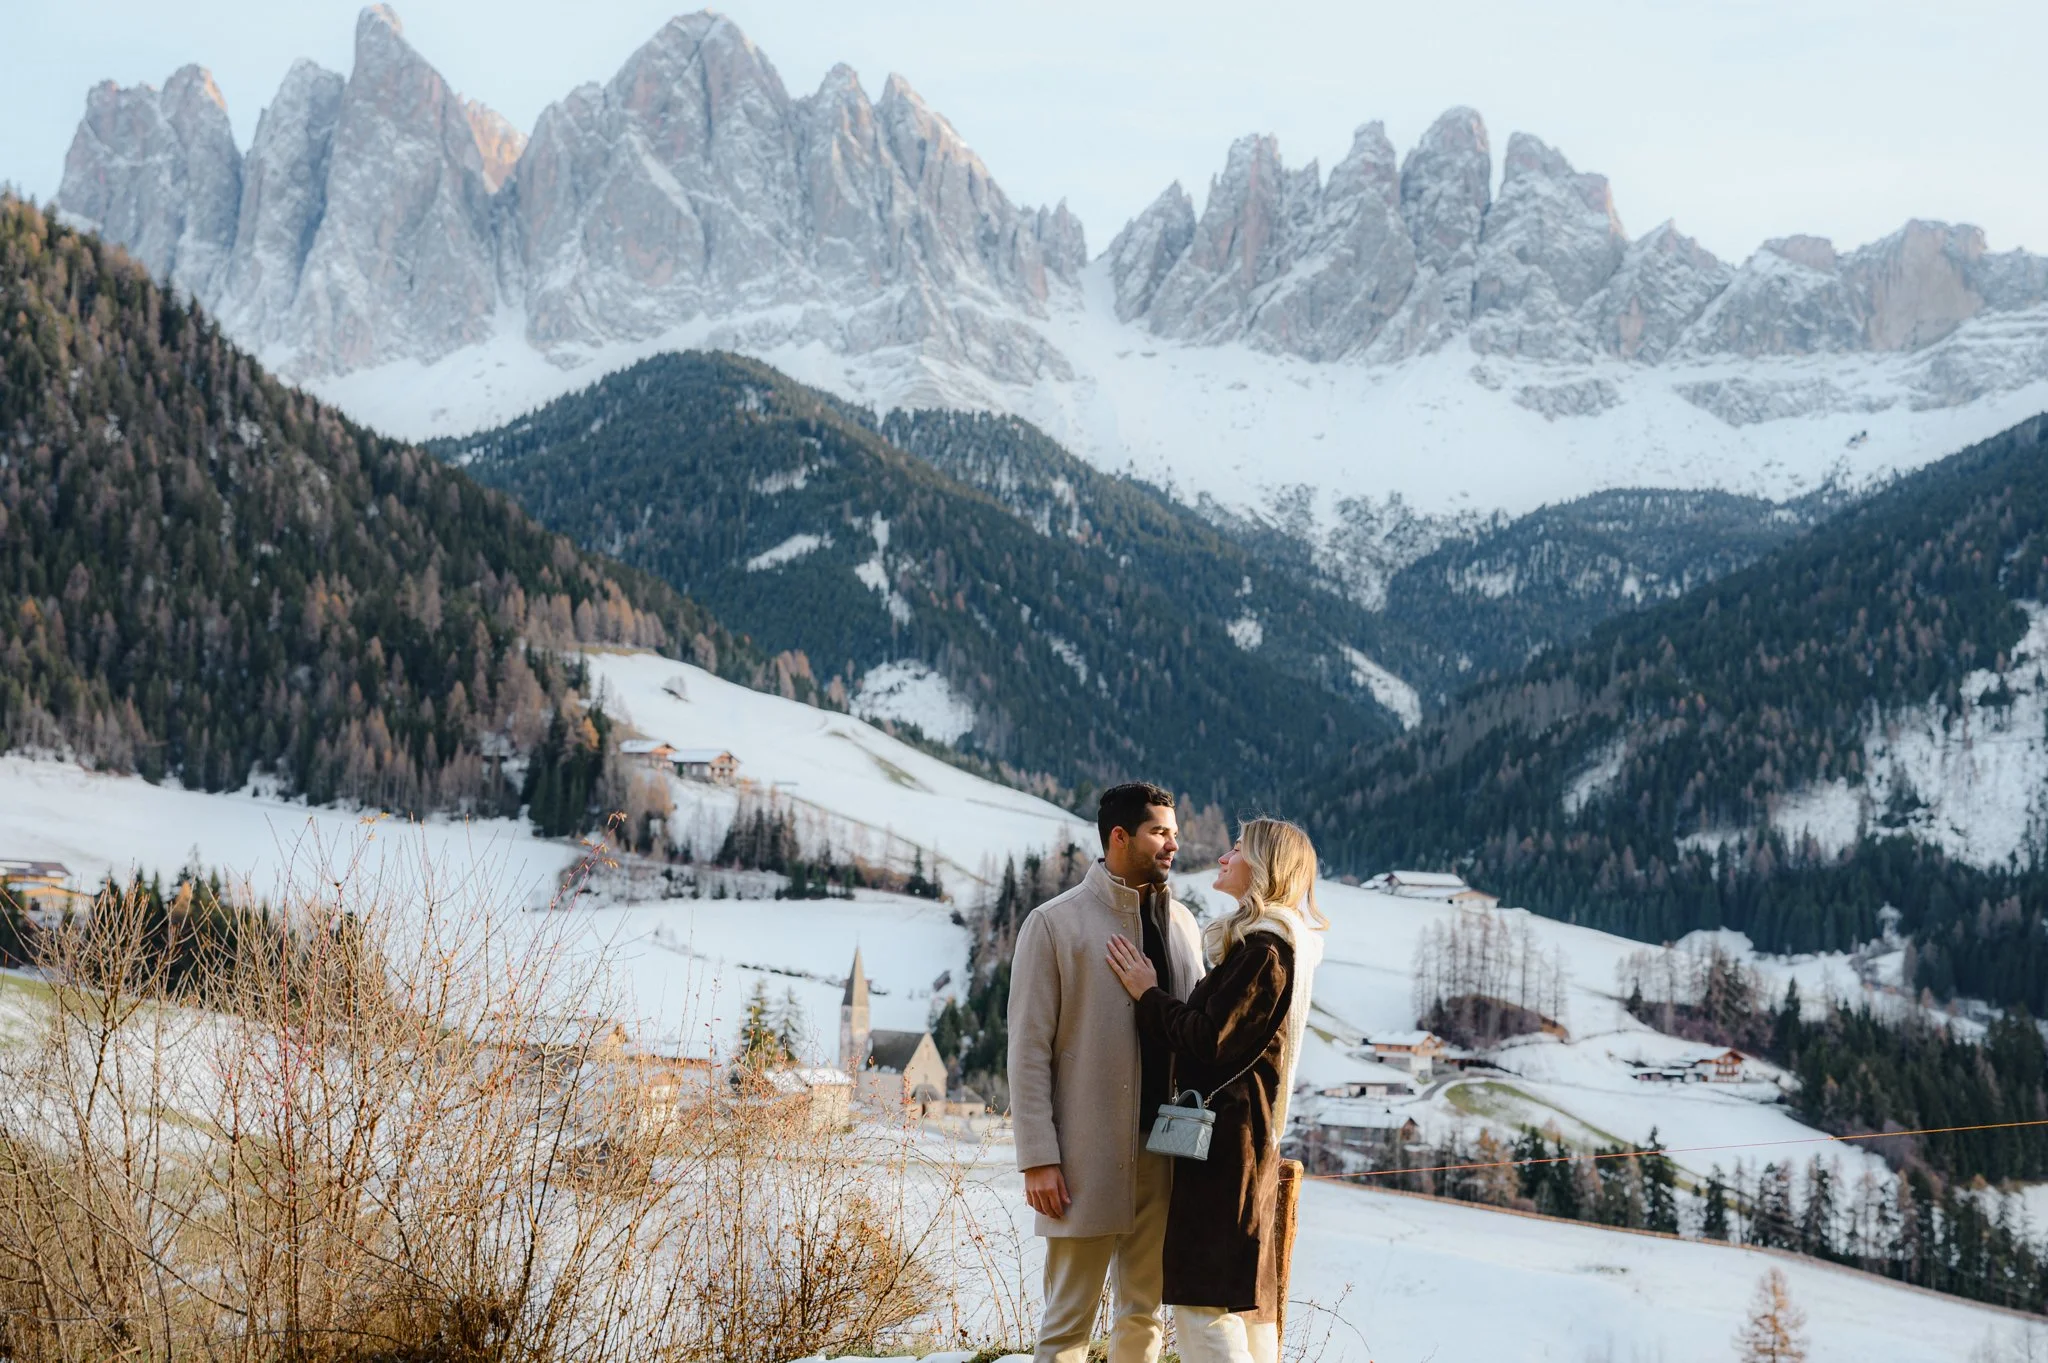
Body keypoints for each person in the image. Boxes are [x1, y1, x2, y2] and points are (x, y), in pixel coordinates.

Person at [1104, 818, 1326, 1363]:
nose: (1224, 857)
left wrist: (1148, 993)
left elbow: (1210, 1039)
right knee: (1239, 1302)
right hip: (1241, 1142)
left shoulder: (1264, 952)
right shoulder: (1267, 945)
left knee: (1204, 1301)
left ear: (1265, 866)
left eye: (1238, 849)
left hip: (1228, 1148)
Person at [1008, 782, 1206, 1363]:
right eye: (1159, 832)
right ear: (1119, 836)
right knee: (1067, 1322)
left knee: (1143, 1314)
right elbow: (1027, 1050)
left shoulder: (1184, 925)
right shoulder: (1053, 924)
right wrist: (1038, 1158)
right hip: (1080, 1161)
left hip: (1165, 1155)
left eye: (1174, 831)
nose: (1173, 844)